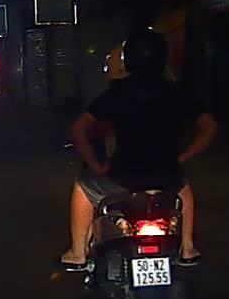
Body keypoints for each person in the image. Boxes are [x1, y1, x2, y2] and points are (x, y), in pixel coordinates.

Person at [60, 30, 218, 271]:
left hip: (122, 178)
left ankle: (78, 253)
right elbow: (210, 128)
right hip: (167, 177)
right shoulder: (176, 92)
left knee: (83, 186)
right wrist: (184, 157)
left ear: (128, 61)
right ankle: (187, 248)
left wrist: (96, 166)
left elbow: (78, 130)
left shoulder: (117, 93)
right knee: (184, 189)